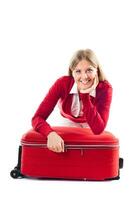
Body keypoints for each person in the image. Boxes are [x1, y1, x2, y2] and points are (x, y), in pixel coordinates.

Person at [32, 49, 112, 153]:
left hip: (91, 124)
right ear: (72, 72)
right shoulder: (62, 84)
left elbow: (98, 129)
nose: (84, 76)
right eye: (78, 71)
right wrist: (50, 134)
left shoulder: (105, 88)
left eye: (89, 70)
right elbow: (37, 118)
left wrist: (85, 95)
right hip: (67, 122)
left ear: (97, 70)